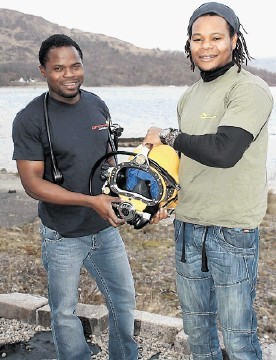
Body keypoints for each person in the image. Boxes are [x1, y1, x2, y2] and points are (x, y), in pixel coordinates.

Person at [143, 2, 274, 359]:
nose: (206, 46)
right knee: (197, 331)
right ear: (189, 44)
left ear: (234, 39)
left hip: (231, 231)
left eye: (216, 37)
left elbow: (223, 151)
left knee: (238, 337)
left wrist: (169, 136)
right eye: (197, 38)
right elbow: (186, 162)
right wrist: (163, 202)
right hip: (187, 227)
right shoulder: (190, 95)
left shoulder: (250, 90)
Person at [12, 34, 138, 360]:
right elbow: (32, 184)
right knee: (64, 314)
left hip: (105, 230)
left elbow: (110, 159)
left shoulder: (97, 105)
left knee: (123, 303)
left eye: (75, 65)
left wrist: (124, 195)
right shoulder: (29, 119)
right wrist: (89, 201)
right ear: (43, 71)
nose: (69, 74)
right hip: (62, 235)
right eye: (58, 68)